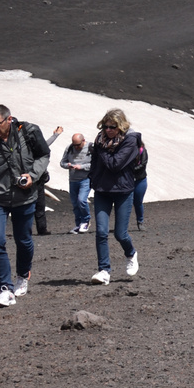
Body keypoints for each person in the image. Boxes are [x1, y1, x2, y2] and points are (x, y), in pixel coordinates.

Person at [0, 103, 51, 307]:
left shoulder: (29, 132)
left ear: (9, 119)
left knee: (24, 240)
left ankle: (23, 274)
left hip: (25, 197)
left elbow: (43, 155)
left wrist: (32, 175)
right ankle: (6, 289)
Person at [88, 109, 140, 285]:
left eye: (112, 127)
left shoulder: (130, 141)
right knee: (101, 232)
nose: (108, 130)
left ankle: (131, 254)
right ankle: (104, 271)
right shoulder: (99, 140)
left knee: (120, 234)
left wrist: (101, 149)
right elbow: (95, 163)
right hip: (102, 190)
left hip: (123, 191)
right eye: (105, 126)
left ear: (121, 126)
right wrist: (92, 179)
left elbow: (115, 164)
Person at [34, 125, 64, 235]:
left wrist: (55, 135)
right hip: (36, 180)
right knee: (39, 205)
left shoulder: (30, 149)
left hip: (37, 180)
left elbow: (46, 144)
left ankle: (35, 229)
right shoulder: (33, 149)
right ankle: (41, 229)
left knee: (37, 205)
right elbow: (46, 144)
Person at [59, 132, 92, 233]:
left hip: (85, 179)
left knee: (81, 200)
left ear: (83, 141)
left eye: (78, 145)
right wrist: (67, 165)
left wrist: (81, 167)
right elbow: (62, 162)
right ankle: (78, 224)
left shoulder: (90, 148)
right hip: (73, 179)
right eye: (74, 145)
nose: (76, 147)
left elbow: (95, 164)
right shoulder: (69, 148)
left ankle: (86, 221)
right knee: (75, 203)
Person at [131, 134, 149, 227]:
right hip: (128, 180)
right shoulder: (125, 151)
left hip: (139, 180)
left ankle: (140, 221)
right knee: (126, 203)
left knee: (138, 202)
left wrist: (129, 170)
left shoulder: (142, 151)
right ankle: (122, 224)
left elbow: (143, 164)